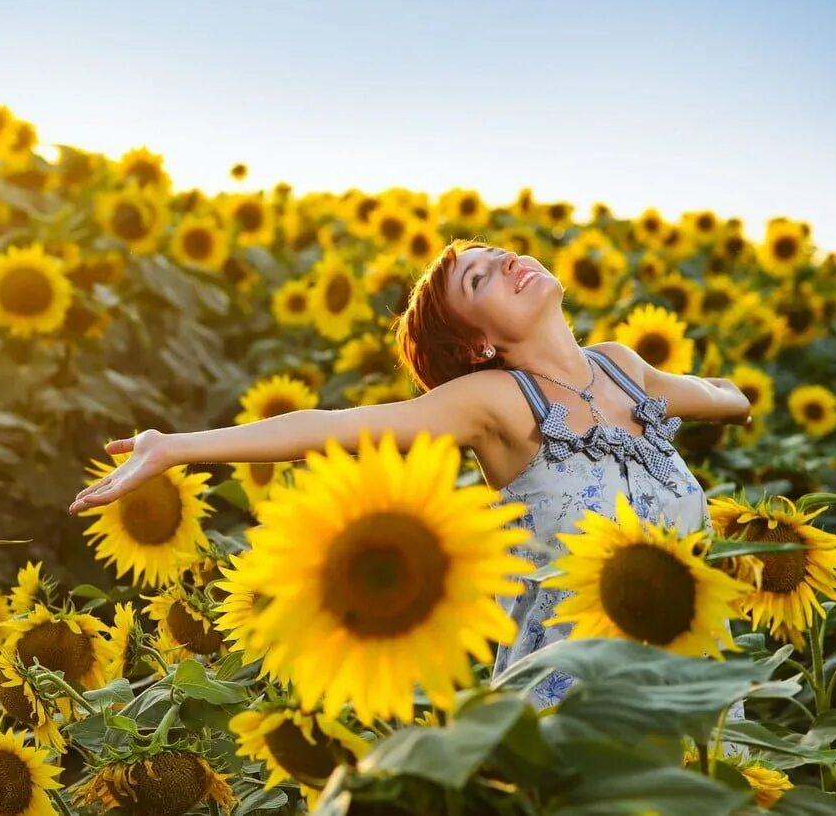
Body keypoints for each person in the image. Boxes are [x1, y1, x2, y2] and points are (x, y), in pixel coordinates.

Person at [65, 238, 752, 728]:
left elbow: (722, 394)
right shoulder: (496, 401)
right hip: (579, 724)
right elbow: (336, 427)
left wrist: (724, 394)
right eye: (478, 279)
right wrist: (176, 446)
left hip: (701, 695)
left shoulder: (626, 370)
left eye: (496, 254)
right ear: (479, 345)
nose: (505, 262)